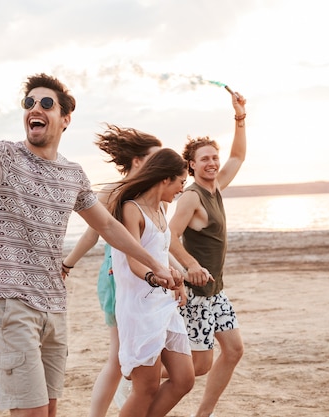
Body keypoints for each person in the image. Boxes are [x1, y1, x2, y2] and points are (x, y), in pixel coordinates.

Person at [0, 34, 177, 417]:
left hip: (55, 305)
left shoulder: (73, 174)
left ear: (65, 118)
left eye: (45, 103)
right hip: (12, 301)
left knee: (49, 411)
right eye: (29, 102)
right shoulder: (1, 158)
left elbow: (107, 226)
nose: (34, 108)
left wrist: (156, 263)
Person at [61, 125, 161, 417]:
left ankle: (134, 392)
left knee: (147, 352)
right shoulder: (111, 192)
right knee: (118, 358)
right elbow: (93, 234)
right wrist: (68, 263)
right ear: (138, 161)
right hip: (117, 278)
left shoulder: (155, 192)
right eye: (155, 158)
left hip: (152, 281)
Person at [168, 90, 247, 417]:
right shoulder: (191, 197)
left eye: (214, 157)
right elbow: (168, 236)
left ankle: (204, 413)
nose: (213, 163)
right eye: (205, 159)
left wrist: (239, 116)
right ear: (192, 164)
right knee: (199, 365)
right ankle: (133, 375)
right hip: (197, 293)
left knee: (233, 350)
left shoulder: (216, 186)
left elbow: (238, 157)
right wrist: (191, 264)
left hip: (216, 291)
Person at [110, 148, 194, 417]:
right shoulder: (130, 209)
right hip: (139, 308)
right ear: (166, 179)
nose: (182, 189)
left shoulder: (161, 208)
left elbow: (159, 253)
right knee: (146, 387)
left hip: (164, 304)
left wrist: (176, 278)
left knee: (184, 379)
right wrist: (154, 276)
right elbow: (134, 260)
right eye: (181, 182)